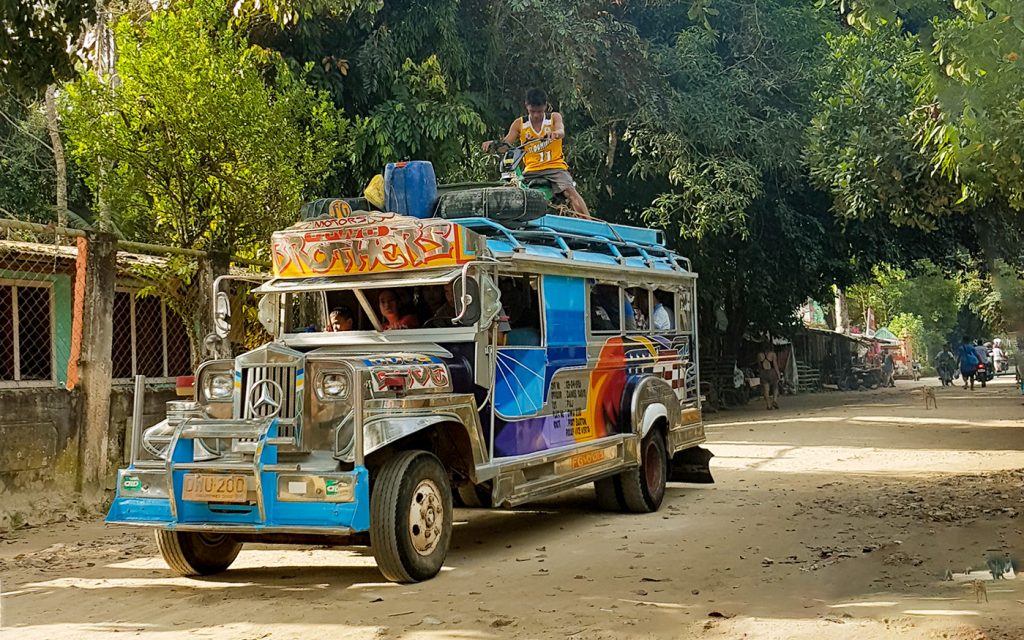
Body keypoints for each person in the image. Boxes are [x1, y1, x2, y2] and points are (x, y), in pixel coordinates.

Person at [481, 88, 590, 218]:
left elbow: (561, 131)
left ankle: (589, 223)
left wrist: (554, 133)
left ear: (545, 106)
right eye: (533, 111)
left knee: (570, 192)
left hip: (555, 167)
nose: (536, 115)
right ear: (526, 106)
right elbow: (506, 146)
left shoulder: (554, 118)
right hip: (531, 171)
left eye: (539, 111)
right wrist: (493, 145)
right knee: (508, 187)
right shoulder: (519, 124)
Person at [756, 339, 781, 410]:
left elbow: (759, 366)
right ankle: (774, 400)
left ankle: (768, 405)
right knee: (775, 387)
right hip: (772, 372)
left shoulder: (759, 355)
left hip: (763, 372)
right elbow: (775, 365)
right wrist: (778, 374)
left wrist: (760, 374)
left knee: (766, 390)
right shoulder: (772, 354)